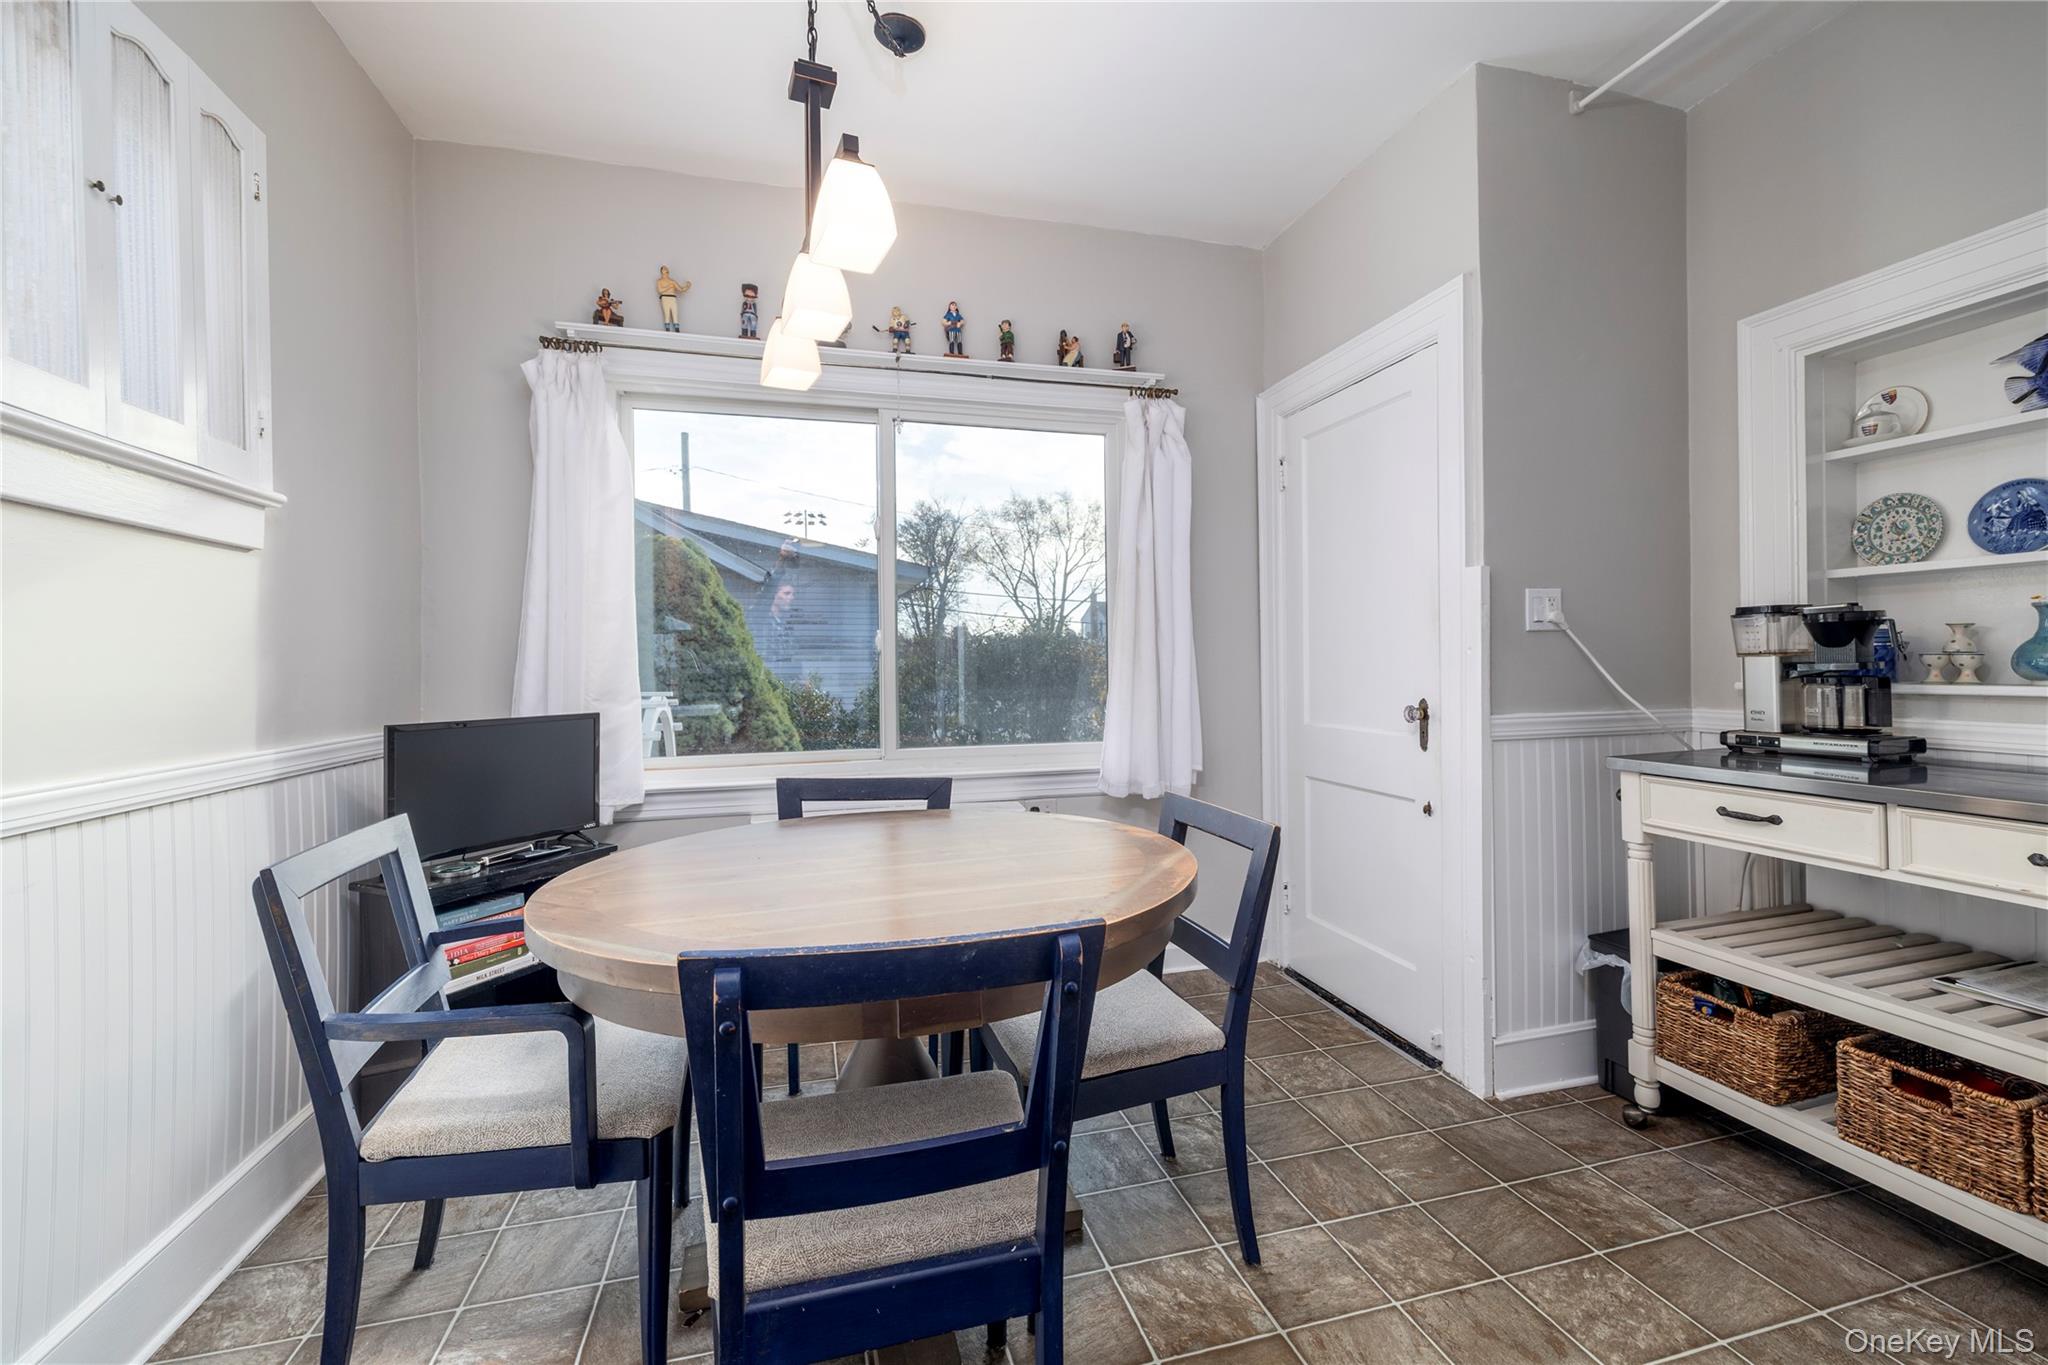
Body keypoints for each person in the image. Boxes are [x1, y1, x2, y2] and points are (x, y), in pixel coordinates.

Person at [656, 267, 691, 332]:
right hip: (665, 298)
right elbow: (660, 290)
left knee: (675, 315)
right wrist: (670, 286)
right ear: (662, 271)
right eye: (664, 269)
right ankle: (667, 331)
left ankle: (677, 331)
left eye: (666, 269)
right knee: (667, 315)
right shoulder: (659, 281)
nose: (666, 270)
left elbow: (681, 289)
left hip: (673, 298)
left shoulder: (672, 281)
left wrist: (687, 286)